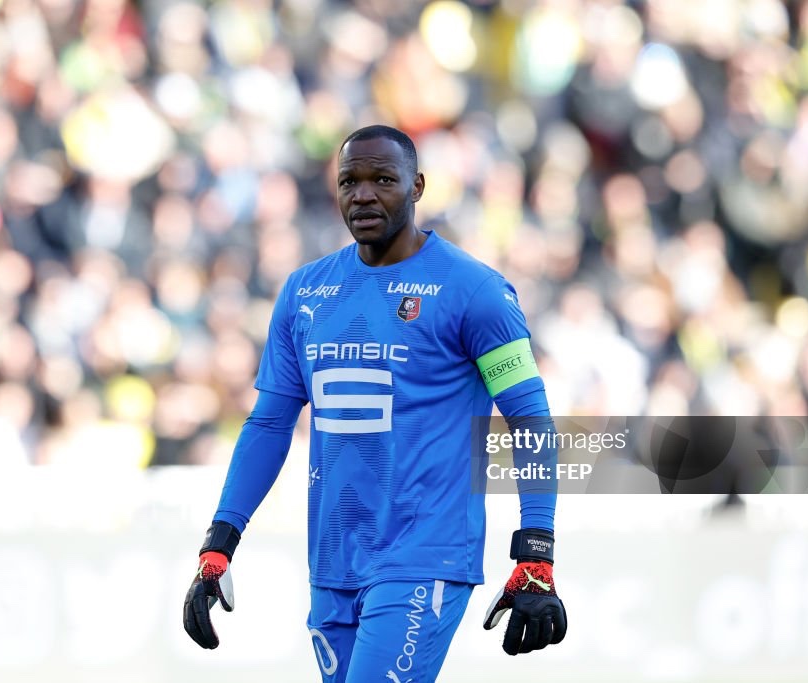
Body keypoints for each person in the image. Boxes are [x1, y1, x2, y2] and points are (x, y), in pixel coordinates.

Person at [183, 125, 567, 681]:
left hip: (424, 555)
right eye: (349, 182)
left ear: (417, 186)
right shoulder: (304, 291)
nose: (362, 194)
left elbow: (529, 419)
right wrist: (220, 543)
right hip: (334, 561)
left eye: (382, 179)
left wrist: (536, 553)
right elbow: (269, 423)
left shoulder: (476, 292)